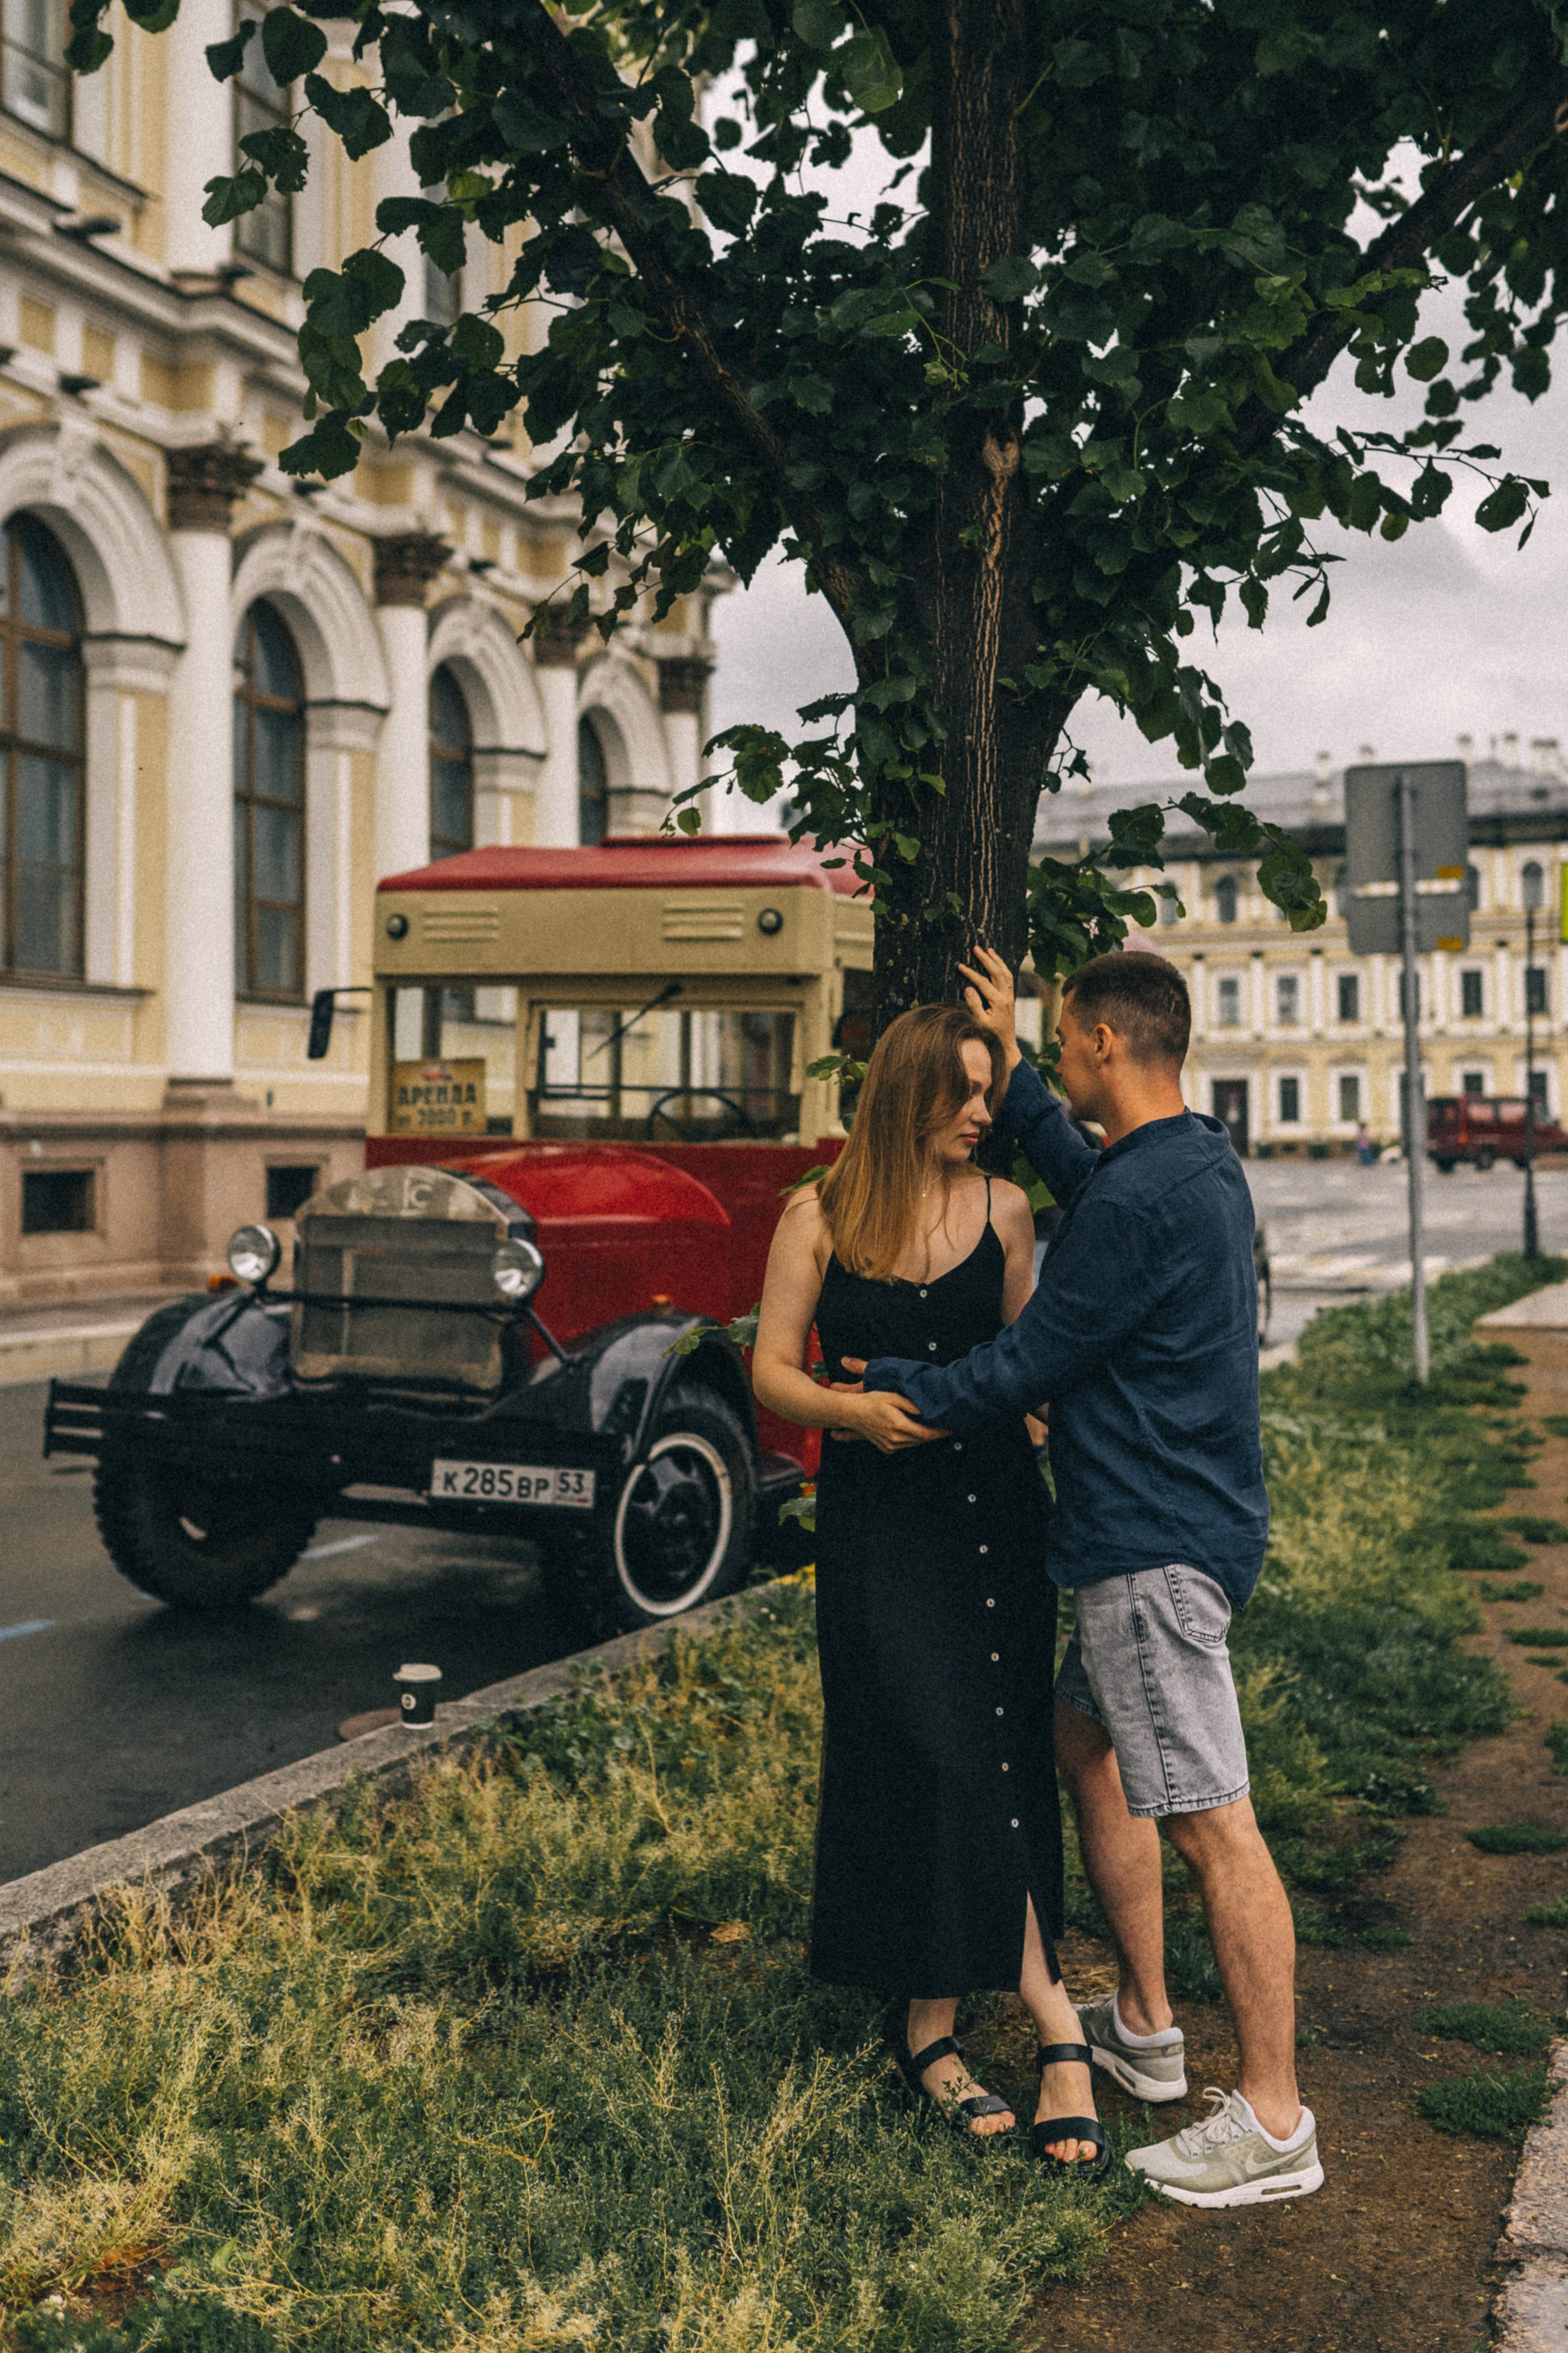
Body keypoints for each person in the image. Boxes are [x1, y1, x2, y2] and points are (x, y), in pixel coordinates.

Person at [847, 948, 1322, 2210]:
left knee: (1213, 1822)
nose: (1054, 1061)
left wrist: (882, 1391)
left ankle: (1273, 2118)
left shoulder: (1131, 1203)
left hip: (1145, 1552)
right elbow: (1089, 1177)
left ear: (1104, 1042)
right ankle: (1146, 2024)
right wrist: (1012, 1075)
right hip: (1193, 1526)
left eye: (1059, 1043)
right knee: (1080, 1742)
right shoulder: (1192, 1160)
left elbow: (1021, 1365)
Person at [752, 1003, 1109, 2170]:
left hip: (996, 1518)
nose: (982, 1111)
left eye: (991, 1088)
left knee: (998, 1753)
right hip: (880, 1526)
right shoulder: (819, 1215)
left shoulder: (1006, 1209)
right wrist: (850, 1412)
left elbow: (1029, 1365)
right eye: (963, 1089)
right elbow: (771, 1371)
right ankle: (1032, 2019)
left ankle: (947, 2023)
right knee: (925, 1751)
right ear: (906, 1092)